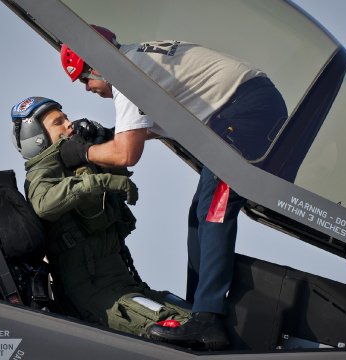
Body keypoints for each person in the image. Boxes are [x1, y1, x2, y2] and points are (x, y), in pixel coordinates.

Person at [59, 26, 288, 350]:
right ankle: (199, 314)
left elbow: (127, 154)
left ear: (95, 64)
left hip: (246, 113)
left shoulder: (124, 75)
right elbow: (152, 126)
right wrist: (107, 134)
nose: (87, 88)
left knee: (213, 211)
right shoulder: (136, 58)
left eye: (84, 79)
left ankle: (207, 318)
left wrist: (81, 152)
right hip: (247, 106)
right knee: (199, 214)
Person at [10, 96, 190, 339]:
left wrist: (99, 139)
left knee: (198, 319)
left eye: (66, 117)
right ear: (38, 137)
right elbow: (43, 204)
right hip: (96, 295)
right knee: (173, 328)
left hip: (127, 284)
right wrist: (97, 181)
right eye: (58, 122)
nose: (69, 123)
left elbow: (122, 156)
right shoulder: (41, 173)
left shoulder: (76, 160)